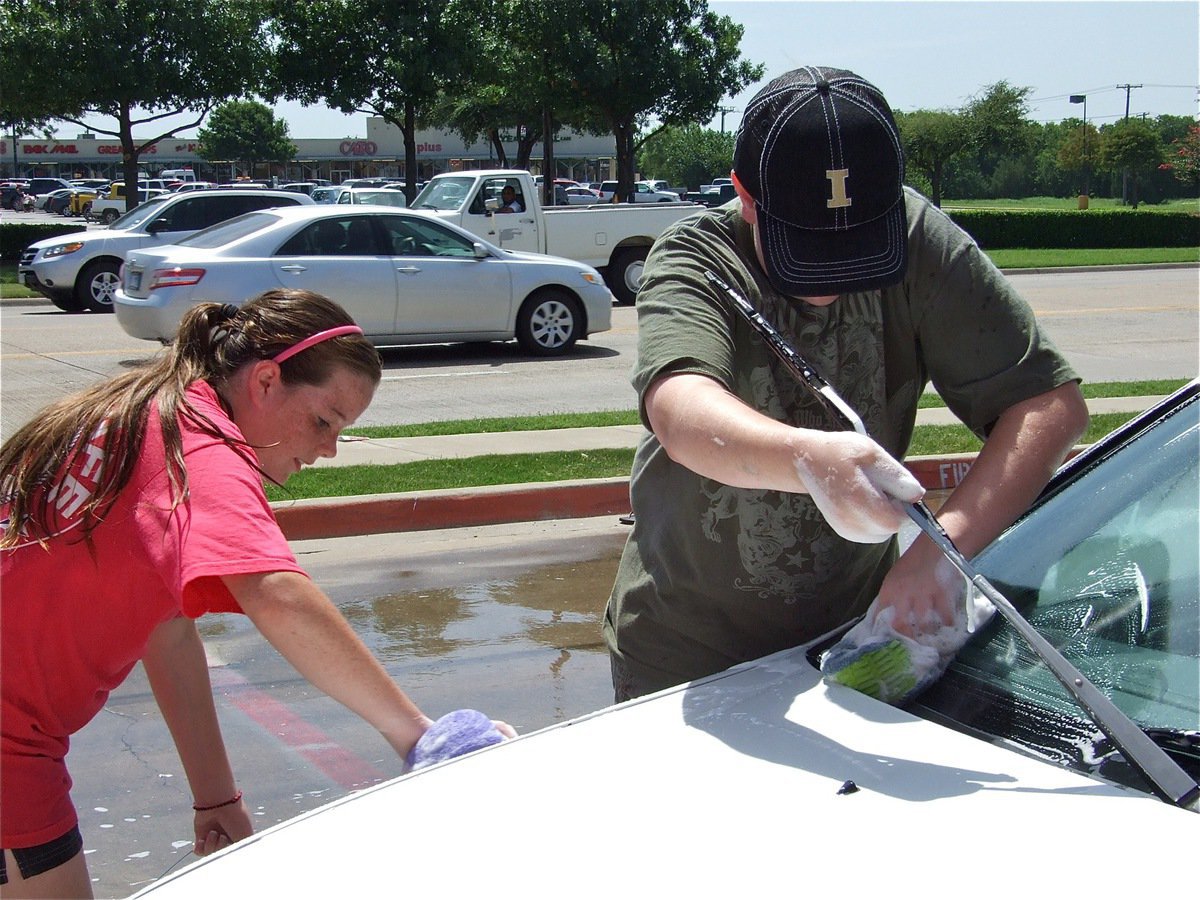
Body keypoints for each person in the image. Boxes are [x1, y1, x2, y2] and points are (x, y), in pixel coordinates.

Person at [0, 289, 514, 898]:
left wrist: (215, 796)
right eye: (324, 421)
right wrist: (419, 736)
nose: (327, 450)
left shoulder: (144, 410)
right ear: (266, 381)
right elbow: (275, 592)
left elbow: (165, 630)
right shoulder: (197, 450)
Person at [603, 66, 1089, 702]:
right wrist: (809, 460)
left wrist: (942, 553)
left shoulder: (918, 238)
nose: (831, 277)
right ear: (745, 196)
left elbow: (1049, 406)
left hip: (855, 635)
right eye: (806, 248)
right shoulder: (696, 257)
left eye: (860, 248)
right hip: (685, 651)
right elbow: (681, 411)